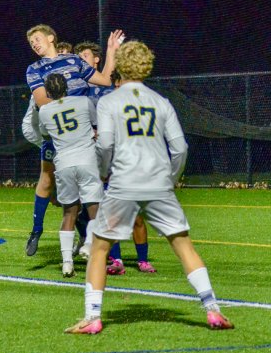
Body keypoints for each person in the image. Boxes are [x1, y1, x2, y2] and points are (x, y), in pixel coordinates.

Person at [65, 40, 233, 334]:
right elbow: (180, 147)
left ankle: (92, 318)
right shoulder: (161, 102)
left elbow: (104, 144)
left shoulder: (109, 101)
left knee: (100, 249)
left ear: (118, 66)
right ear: (147, 66)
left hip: (123, 184)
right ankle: (213, 310)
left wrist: (104, 172)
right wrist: (169, 179)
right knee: (183, 246)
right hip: (158, 184)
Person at [23, 24, 123, 257]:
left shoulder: (75, 61)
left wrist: (111, 51)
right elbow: (42, 101)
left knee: (91, 189)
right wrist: (75, 111)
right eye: (31, 43)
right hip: (57, 132)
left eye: (37, 39)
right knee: (47, 181)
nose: (34, 44)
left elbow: (106, 80)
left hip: (83, 135)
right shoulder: (34, 69)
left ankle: (93, 243)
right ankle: (36, 230)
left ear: (51, 38)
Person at [75, 42, 156, 274]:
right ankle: (115, 258)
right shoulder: (82, 90)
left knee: (137, 215)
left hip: (126, 159)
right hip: (98, 157)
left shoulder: (117, 93)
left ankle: (142, 259)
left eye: (86, 55)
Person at [36, 73, 103, 277]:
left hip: (63, 163)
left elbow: (45, 134)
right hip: (87, 159)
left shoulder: (44, 111)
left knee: (69, 213)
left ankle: (67, 263)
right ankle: (88, 244)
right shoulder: (84, 101)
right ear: (67, 87)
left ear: (47, 92)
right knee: (94, 208)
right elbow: (96, 125)